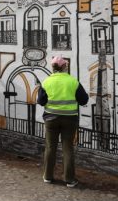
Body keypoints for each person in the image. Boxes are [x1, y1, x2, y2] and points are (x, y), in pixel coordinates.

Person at [36, 56, 89, 187]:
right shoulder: (72, 81)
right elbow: (84, 100)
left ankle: (48, 176)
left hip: (50, 119)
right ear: (65, 67)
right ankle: (69, 179)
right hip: (69, 119)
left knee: (50, 147)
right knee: (68, 148)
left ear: (52, 67)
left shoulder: (46, 82)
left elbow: (41, 101)